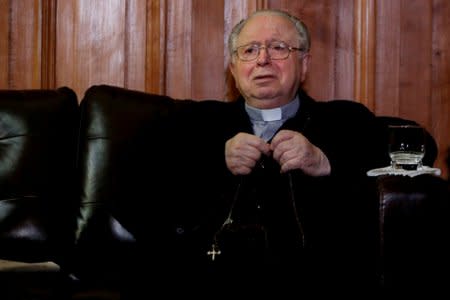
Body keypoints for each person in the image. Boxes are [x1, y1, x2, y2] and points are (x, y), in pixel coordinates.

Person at [122, 9, 390, 297]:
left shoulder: (344, 120)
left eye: (278, 48)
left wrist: (325, 161)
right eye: (249, 50)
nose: (263, 59)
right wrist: (216, 159)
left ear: (304, 64)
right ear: (234, 69)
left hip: (314, 284)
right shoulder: (196, 122)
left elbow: (418, 151)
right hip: (209, 284)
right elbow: (132, 179)